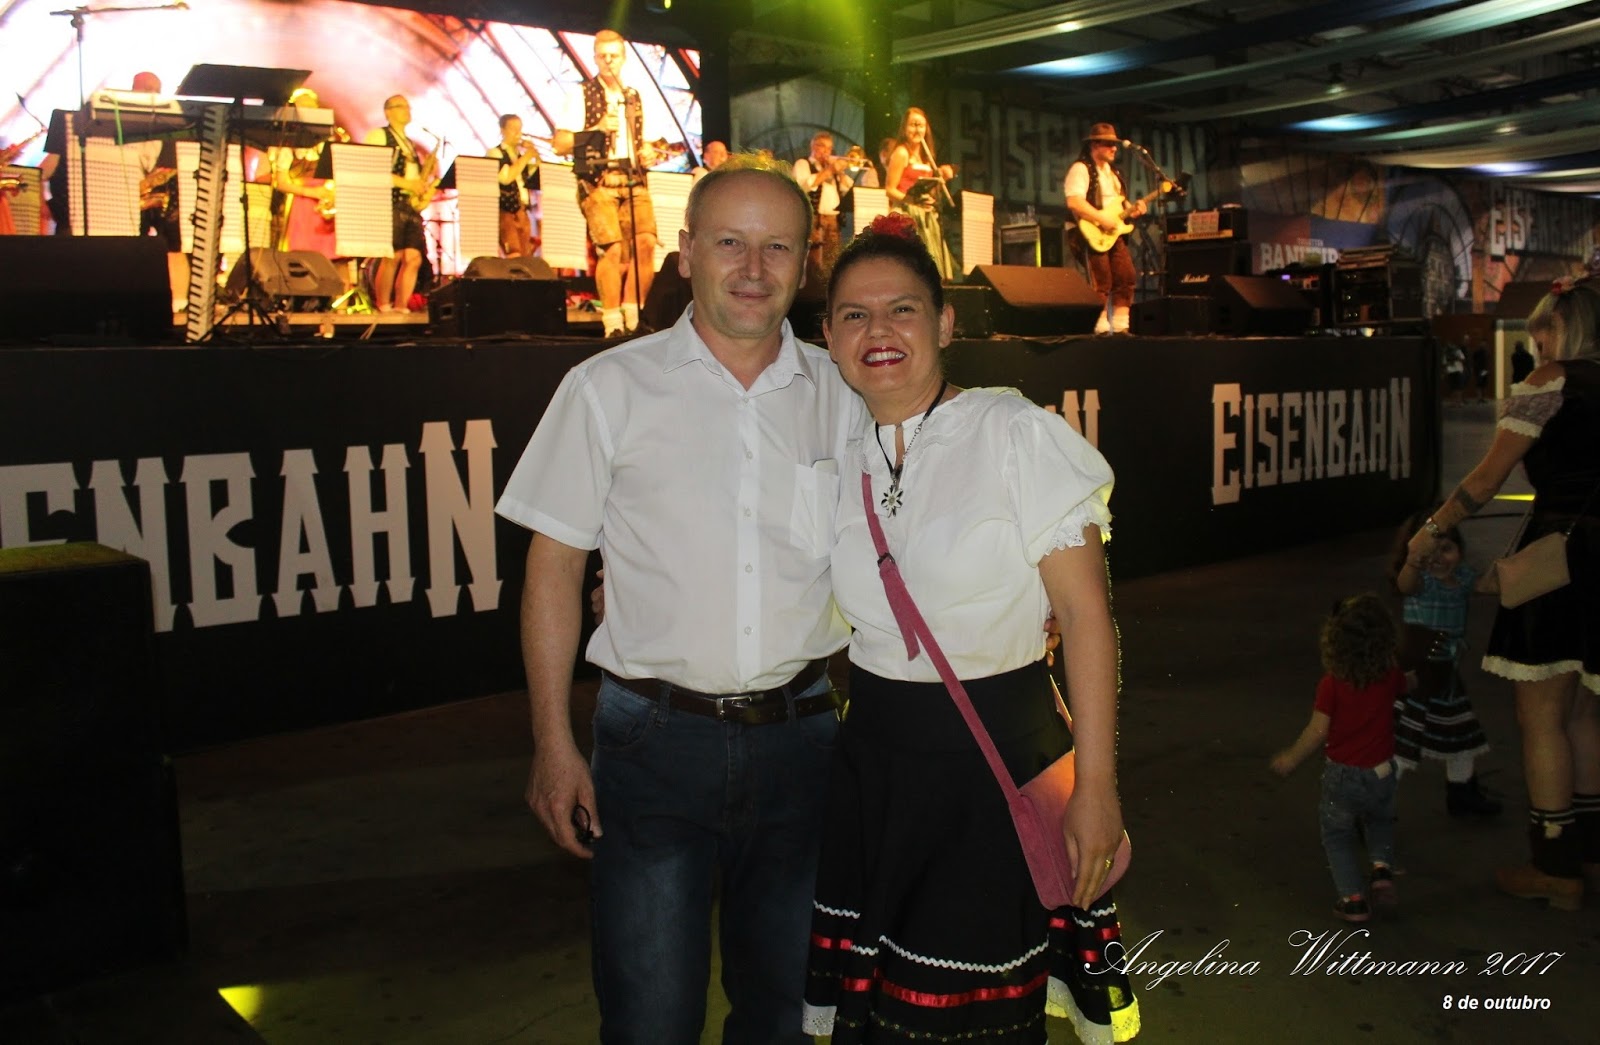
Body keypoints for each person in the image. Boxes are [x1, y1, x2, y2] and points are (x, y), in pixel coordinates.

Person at [495, 155, 859, 1044]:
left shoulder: (845, 396)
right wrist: (552, 742)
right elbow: (552, 569)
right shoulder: (608, 388)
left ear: (806, 261)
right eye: (730, 243)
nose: (753, 268)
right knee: (650, 1019)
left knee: (787, 1017)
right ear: (686, 250)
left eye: (778, 247)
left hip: (805, 743)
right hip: (652, 747)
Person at [802, 212, 1138, 1043]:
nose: (879, 331)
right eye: (854, 315)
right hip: (877, 772)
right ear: (829, 338)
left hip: (994, 772)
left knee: (984, 1025)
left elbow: (1086, 620)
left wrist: (1097, 787)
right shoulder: (837, 454)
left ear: (946, 323)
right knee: (884, 1024)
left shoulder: (1013, 432)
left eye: (903, 309)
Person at [1406, 273, 1600, 911]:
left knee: (1543, 716)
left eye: (1542, 334)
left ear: (1560, 328)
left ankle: (1555, 865)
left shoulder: (1551, 384)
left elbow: (1488, 478)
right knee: (1587, 714)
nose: (1537, 346)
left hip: (1560, 559)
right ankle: (1591, 851)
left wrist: (1432, 531)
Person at [1271, 593, 1408, 924]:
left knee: (1337, 835)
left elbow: (1318, 731)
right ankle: (1381, 871)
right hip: (1383, 771)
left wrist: (1292, 757)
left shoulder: (1331, 685)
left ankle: (1353, 900)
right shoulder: (1391, 676)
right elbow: (1407, 685)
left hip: (1344, 777)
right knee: (1379, 821)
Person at [552, 29, 666, 337]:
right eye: (602, 56)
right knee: (612, 250)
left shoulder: (634, 97)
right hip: (598, 182)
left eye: (613, 56)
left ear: (624, 58)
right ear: (594, 58)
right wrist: (596, 128)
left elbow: (651, 142)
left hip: (633, 179)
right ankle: (612, 322)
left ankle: (633, 316)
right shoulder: (581, 94)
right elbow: (559, 144)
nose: (608, 61)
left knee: (646, 242)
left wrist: (649, 151)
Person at [1389, 508, 1501, 817]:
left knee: (1461, 732)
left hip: (1446, 675)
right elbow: (1404, 584)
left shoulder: (1463, 578)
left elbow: (1490, 586)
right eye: (1429, 551)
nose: (1438, 557)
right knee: (1405, 740)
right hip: (1418, 676)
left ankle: (1462, 791)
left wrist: (1510, 569)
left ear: (1460, 551)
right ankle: (1373, 801)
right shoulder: (1421, 581)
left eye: (1447, 548)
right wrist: (1414, 560)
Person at [1065, 123, 1144, 336]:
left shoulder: (1114, 173)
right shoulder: (1081, 169)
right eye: (1108, 144)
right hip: (1088, 231)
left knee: (1126, 275)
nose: (1114, 148)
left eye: (1114, 144)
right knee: (1101, 279)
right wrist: (1101, 218)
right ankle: (1099, 327)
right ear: (1094, 145)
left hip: (1112, 231)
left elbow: (1119, 204)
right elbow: (1074, 202)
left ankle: (1120, 326)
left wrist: (1133, 209)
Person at [362, 95, 429, 312]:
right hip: (390, 201)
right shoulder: (379, 135)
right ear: (388, 112)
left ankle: (401, 305)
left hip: (410, 204)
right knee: (393, 255)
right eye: (401, 106)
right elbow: (373, 169)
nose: (407, 110)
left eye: (408, 106)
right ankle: (383, 304)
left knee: (414, 257)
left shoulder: (409, 144)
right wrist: (408, 184)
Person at [884, 108, 956, 282]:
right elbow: (889, 190)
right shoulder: (901, 153)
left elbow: (929, 192)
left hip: (925, 215)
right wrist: (913, 200)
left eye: (921, 125)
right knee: (910, 269)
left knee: (929, 273)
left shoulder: (926, 156)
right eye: (913, 125)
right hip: (906, 214)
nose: (917, 130)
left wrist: (941, 179)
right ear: (904, 128)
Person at [269, 87, 340, 258]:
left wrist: (330, 193)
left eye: (311, 107)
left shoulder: (327, 139)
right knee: (301, 253)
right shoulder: (287, 142)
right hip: (300, 204)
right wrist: (311, 192)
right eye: (303, 107)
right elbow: (280, 182)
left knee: (330, 256)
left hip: (325, 203)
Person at [792, 130, 853, 286]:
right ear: (813, 146)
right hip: (814, 218)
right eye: (822, 146)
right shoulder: (803, 163)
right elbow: (805, 185)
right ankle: (812, 292)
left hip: (833, 219)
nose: (826, 151)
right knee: (814, 260)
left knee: (832, 260)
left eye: (829, 148)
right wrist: (829, 170)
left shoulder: (830, 168)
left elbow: (847, 188)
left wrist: (840, 173)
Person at [492, 114, 541, 258]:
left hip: (522, 210)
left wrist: (535, 155)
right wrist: (526, 157)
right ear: (502, 131)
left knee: (525, 255)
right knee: (514, 254)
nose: (518, 134)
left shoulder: (520, 155)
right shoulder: (495, 153)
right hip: (505, 211)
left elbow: (535, 175)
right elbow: (505, 178)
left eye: (520, 129)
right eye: (513, 129)